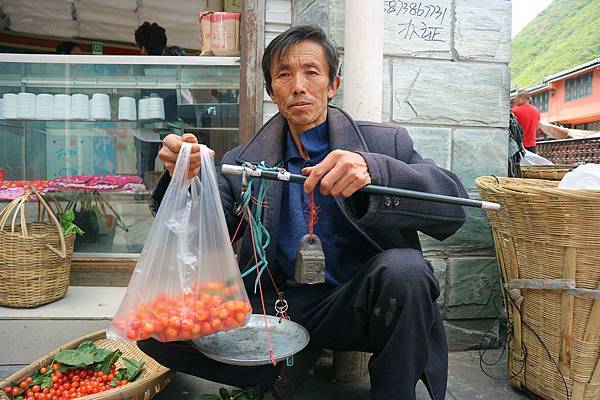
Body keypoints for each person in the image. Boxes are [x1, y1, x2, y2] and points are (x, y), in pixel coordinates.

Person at [138, 25, 468, 400]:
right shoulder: (243, 162)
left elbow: (453, 210)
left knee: (406, 270)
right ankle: (274, 365)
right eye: (284, 74)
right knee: (155, 328)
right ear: (270, 90)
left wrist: (374, 171)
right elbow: (194, 237)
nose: (298, 85)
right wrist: (185, 179)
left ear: (333, 84)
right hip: (275, 308)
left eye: (311, 72)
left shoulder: (384, 143)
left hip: (356, 304)